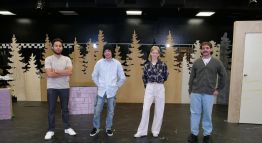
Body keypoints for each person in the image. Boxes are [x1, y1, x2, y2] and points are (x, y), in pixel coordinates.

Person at [188, 42, 227, 143]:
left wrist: (218, 89)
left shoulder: (217, 62)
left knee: (207, 114)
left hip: (208, 93)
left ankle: (207, 135)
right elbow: (191, 78)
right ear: (201, 50)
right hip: (195, 92)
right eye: (203, 48)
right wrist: (190, 91)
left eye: (207, 48)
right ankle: (194, 134)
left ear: (210, 49)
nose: (205, 50)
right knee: (195, 113)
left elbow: (224, 76)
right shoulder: (197, 62)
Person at [44, 38, 76, 140]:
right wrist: (63, 72)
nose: (58, 47)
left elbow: (70, 72)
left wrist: (56, 71)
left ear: (62, 47)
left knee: (65, 109)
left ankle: (67, 127)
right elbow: (49, 74)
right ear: (53, 47)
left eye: (60, 46)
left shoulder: (67, 59)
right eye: (56, 45)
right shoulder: (48, 59)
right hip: (52, 88)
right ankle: (50, 130)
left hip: (64, 87)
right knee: (51, 110)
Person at [90, 46, 126, 137]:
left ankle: (108, 128)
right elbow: (94, 76)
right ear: (103, 52)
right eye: (105, 51)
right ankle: (96, 127)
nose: (107, 53)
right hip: (101, 91)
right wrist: (99, 85)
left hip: (112, 92)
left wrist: (116, 87)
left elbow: (122, 77)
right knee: (97, 110)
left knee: (110, 111)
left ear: (112, 52)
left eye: (109, 51)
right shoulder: (99, 63)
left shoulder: (117, 63)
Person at [134, 46, 168, 138]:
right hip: (149, 86)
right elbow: (144, 77)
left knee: (159, 109)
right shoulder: (146, 65)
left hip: (160, 87)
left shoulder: (163, 64)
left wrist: (158, 82)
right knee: (145, 109)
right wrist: (147, 86)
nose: (155, 54)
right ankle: (142, 131)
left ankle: (155, 130)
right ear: (151, 53)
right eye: (153, 52)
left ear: (159, 54)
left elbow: (165, 76)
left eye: (157, 53)